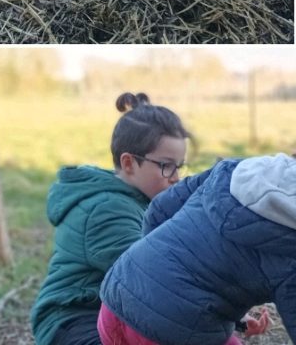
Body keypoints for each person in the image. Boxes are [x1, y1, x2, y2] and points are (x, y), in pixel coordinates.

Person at [97, 126, 296, 345]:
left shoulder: (234, 172)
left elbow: (159, 210)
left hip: (115, 300)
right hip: (167, 332)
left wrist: (153, 268)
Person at [30, 92, 188, 345]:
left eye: (179, 166)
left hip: (117, 312)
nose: (175, 177)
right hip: (74, 319)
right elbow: (151, 278)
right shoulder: (107, 210)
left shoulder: (144, 200)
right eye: (166, 165)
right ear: (128, 163)